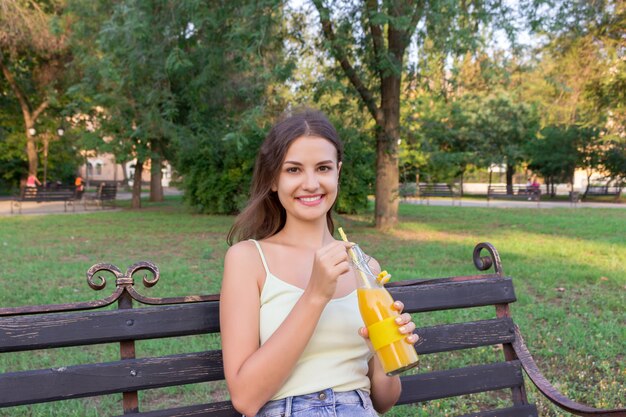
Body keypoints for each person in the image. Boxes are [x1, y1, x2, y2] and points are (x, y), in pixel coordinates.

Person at [220, 110, 418, 417]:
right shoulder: (248, 259)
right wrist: (315, 294)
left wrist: (387, 350)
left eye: (323, 168)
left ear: (338, 172)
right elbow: (246, 398)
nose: (311, 183)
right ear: (274, 179)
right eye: (294, 170)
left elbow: (383, 400)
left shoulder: (365, 266)